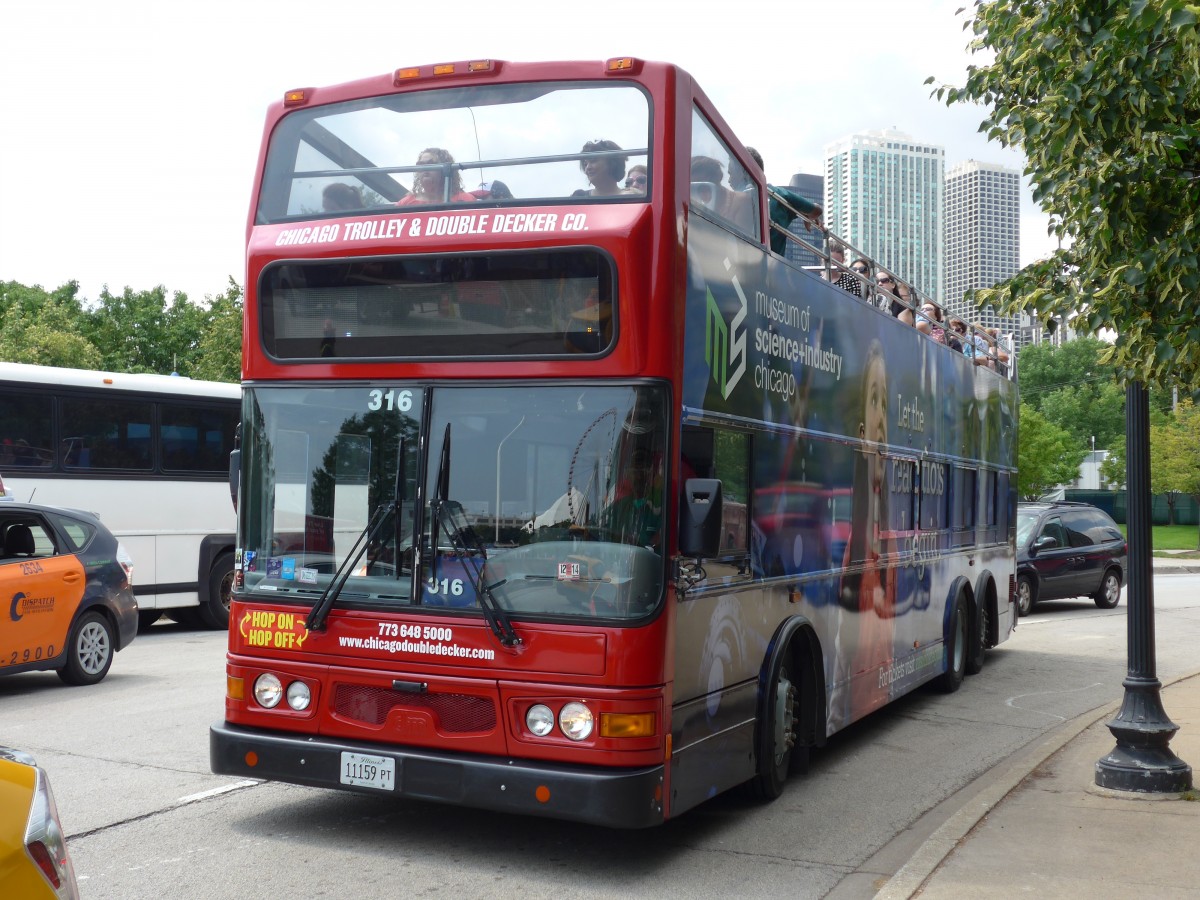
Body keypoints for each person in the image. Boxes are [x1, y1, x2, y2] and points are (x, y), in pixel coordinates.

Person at [834, 338, 896, 722]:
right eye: (874, 401)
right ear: (861, 433)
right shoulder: (849, 554)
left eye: (886, 404)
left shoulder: (892, 547)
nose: (882, 419)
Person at [745, 147, 823, 256]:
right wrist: (807, 215)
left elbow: (817, 210)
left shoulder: (731, 197)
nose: (729, 173)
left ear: (745, 168)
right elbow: (816, 210)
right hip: (773, 265)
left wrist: (806, 214)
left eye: (732, 166)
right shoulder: (779, 194)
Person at [601, 446, 661, 547]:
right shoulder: (619, 506)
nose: (639, 477)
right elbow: (600, 528)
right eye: (635, 471)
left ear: (653, 474)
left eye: (644, 471)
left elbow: (661, 541)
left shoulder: (662, 504)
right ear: (627, 474)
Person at [690, 155, 754, 232]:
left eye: (704, 187)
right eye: (692, 188)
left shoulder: (742, 202)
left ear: (717, 179)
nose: (700, 194)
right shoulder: (694, 207)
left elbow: (740, 242)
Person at [398, 148, 475, 205]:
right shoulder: (405, 203)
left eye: (431, 164)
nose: (425, 169)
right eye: (421, 165)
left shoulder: (465, 200)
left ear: (446, 170)